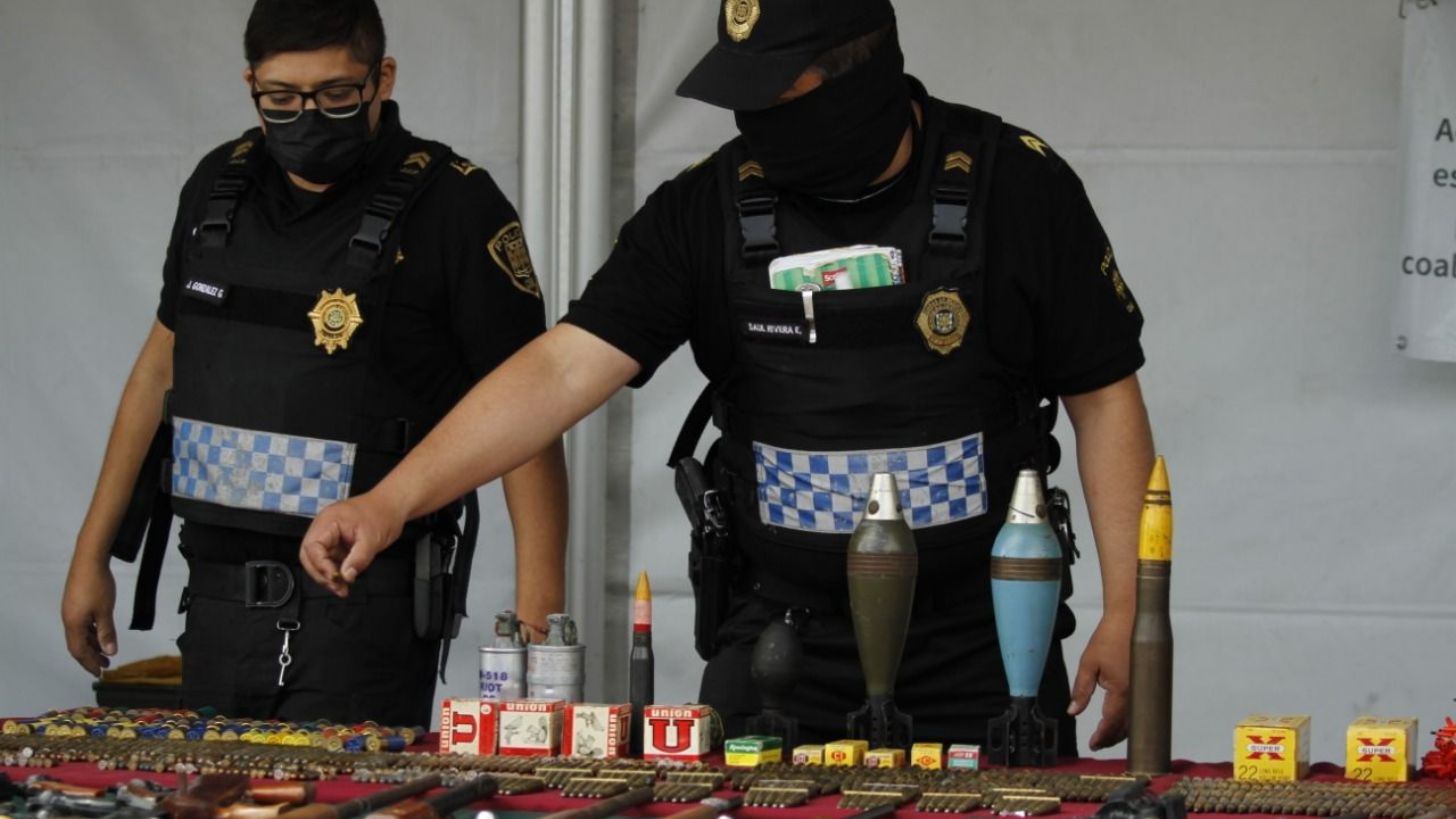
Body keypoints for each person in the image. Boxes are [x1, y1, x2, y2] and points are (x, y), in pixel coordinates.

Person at [301, 0, 1153, 752]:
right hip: (782, 643)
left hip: (987, 640)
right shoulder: (702, 210)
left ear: (864, 73)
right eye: (744, 98)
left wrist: (1130, 611)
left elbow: (1105, 395)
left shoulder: (1016, 186)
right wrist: (390, 499)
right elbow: (560, 369)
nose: (758, 125)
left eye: (781, 96)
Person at [61, 0, 568, 727]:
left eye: (334, 95)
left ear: (382, 77)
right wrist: (92, 555)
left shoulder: (455, 204)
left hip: (362, 609)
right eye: (281, 99)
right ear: (251, 85)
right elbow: (157, 370)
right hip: (215, 596)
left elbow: (530, 410)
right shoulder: (217, 186)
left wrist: (539, 623)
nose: (307, 117)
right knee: (215, 788)